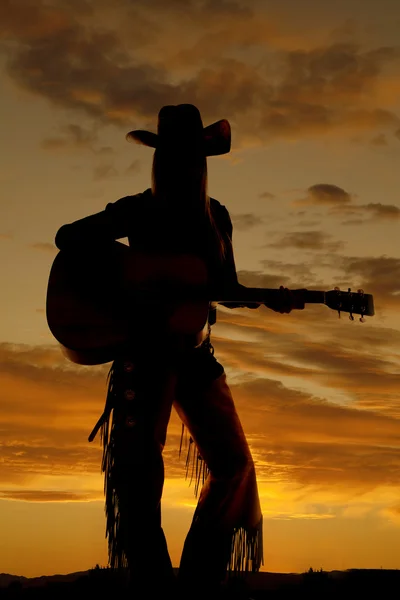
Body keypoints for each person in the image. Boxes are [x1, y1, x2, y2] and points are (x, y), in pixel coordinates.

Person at [55, 104, 301, 598]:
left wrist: (270, 298)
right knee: (138, 474)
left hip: (193, 351)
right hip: (144, 351)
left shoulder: (218, 218)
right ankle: (153, 589)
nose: (185, 165)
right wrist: (138, 275)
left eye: (192, 156)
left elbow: (224, 288)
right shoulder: (137, 209)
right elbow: (69, 238)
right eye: (175, 156)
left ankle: (196, 582)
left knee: (234, 466)